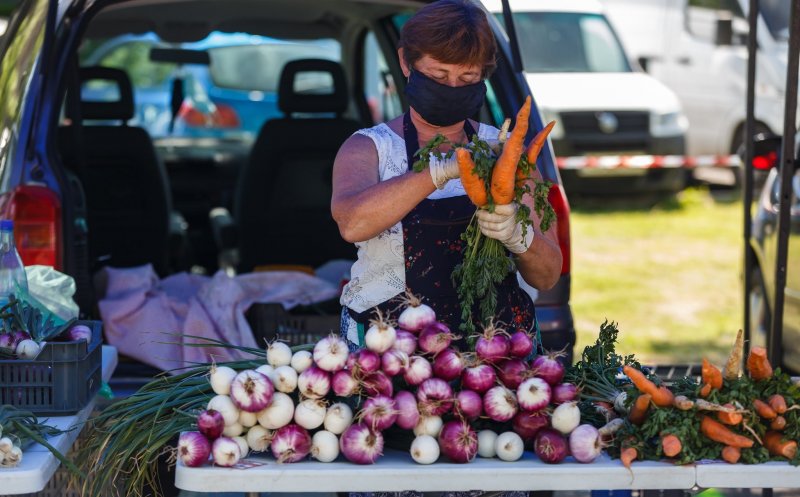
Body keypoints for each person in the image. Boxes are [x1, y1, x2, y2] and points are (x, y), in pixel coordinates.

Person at [332, 0, 562, 351]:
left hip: (496, 350)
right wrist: (439, 171)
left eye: (468, 78)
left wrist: (520, 237)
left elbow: (546, 276)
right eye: (439, 76)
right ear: (406, 63)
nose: (452, 86)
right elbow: (352, 224)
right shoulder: (368, 148)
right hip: (390, 348)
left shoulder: (505, 152)